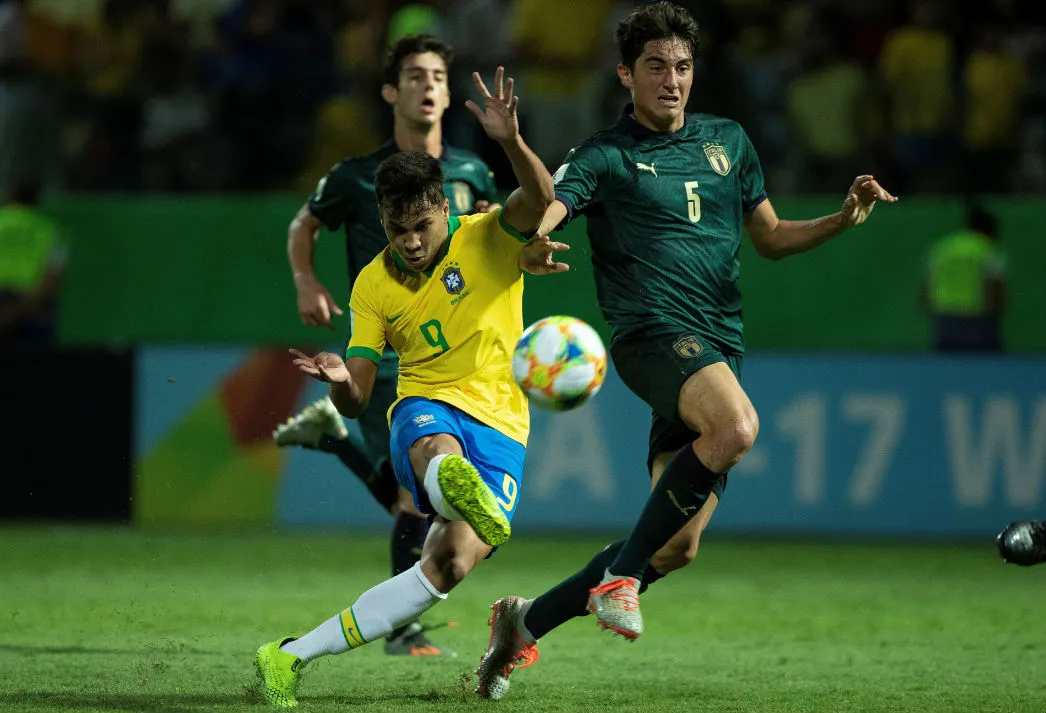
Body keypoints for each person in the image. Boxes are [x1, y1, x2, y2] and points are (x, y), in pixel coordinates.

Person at [475, 2, 897, 699]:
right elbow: (558, 197)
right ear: (625, 74)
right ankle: (619, 581)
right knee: (736, 427)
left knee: (675, 545)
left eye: (682, 66)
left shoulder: (728, 140)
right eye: (655, 67)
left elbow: (769, 238)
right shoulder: (606, 153)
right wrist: (539, 235)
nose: (671, 80)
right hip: (651, 335)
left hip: (716, 347)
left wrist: (842, 219)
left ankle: (524, 621)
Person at [256, 66, 567, 709]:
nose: (412, 242)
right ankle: (447, 482)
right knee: (437, 455)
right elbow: (359, 396)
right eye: (398, 230)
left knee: (447, 568)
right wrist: (342, 382)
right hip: (424, 406)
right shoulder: (372, 285)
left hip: (504, 426)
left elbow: (538, 200)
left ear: (444, 207)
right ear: (383, 219)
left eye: (423, 226)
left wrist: (510, 141)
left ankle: (286, 656)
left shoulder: (487, 236)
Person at [272, 34, 498, 658]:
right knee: (417, 496)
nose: (428, 86)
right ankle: (401, 629)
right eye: (415, 75)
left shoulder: (472, 174)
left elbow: (493, 242)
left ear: (449, 93)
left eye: (437, 76)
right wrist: (306, 278)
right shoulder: (354, 177)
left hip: (456, 357)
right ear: (391, 92)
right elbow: (304, 222)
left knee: (422, 495)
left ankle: (337, 443)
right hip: (390, 355)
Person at [921, 204, 1006, 352]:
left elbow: (928, 281)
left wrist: (927, 306)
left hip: (944, 314)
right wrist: (997, 310)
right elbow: (994, 284)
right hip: (978, 316)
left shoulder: (943, 247)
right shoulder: (987, 249)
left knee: (947, 366)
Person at [0, 182, 65, 348]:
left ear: (9, 197)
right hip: (29, 303)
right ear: (36, 202)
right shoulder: (50, 229)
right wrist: (24, 309)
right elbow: (53, 276)